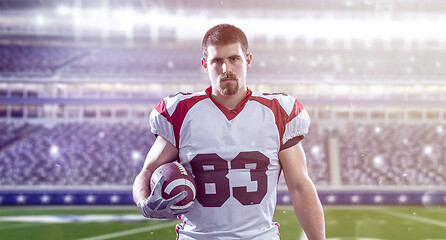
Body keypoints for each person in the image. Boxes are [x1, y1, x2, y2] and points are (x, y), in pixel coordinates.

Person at [133, 23, 326, 240]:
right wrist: (143, 202)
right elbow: (147, 172)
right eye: (217, 61)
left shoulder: (278, 111)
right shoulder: (180, 112)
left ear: (248, 61)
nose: (226, 69)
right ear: (205, 65)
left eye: (234, 59)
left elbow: (300, 186)